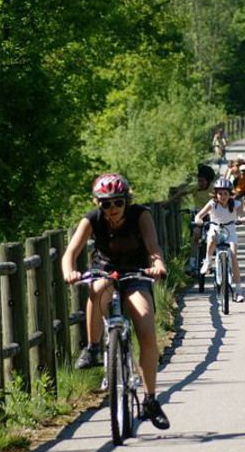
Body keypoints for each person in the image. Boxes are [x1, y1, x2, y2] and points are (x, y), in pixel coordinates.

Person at [61, 173, 170, 430]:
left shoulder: (140, 216)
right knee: (97, 290)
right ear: (98, 203)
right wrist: (69, 272)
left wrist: (158, 265)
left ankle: (150, 399)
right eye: (106, 203)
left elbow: (153, 249)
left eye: (118, 202)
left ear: (127, 201)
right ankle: (93, 347)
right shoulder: (92, 220)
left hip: (136, 273)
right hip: (105, 271)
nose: (112, 209)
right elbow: (70, 253)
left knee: (146, 330)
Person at [194, 177, 245, 303]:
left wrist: (243, 218)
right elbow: (199, 215)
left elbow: (242, 214)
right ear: (215, 194)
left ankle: (238, 290)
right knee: (211, 238)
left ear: (230, 194)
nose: (222, 196)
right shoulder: (212, 204)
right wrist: (199, 220)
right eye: (220, 193)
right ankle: (208, 261)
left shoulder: (235, 204)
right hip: (215, 229)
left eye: (225, 193)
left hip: (230, 232)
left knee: (233, 256)